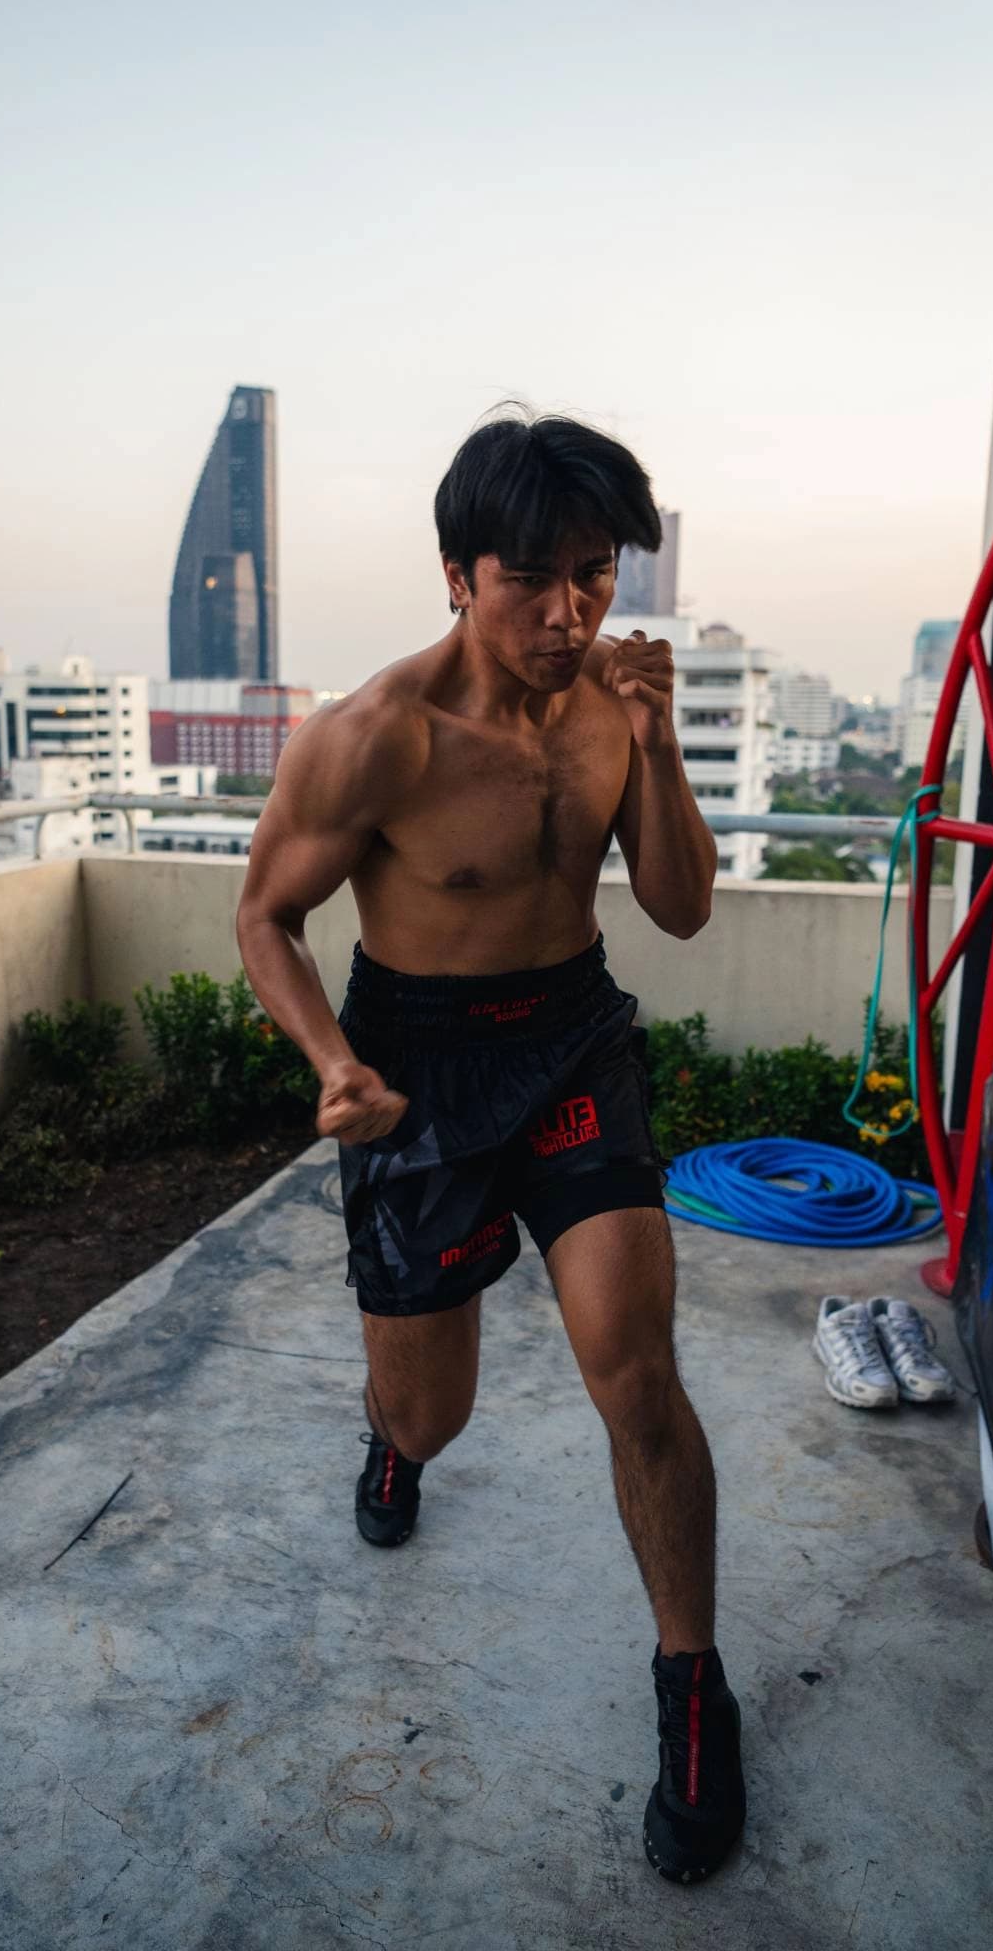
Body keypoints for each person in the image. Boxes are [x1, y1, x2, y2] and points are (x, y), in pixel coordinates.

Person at [235, 409, 746, 1884]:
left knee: (635, 1371)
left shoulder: (607, 704)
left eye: (592, 574)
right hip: (417, 1067)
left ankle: (693, 1690)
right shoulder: (371, 735)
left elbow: (681, 906)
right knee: (428, 1417)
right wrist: (333, 1062)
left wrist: (652, 744)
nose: (569, 611)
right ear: (459, 573)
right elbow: (265, 915)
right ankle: (391, 1452)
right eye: (533, 577)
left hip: (572, 1036)